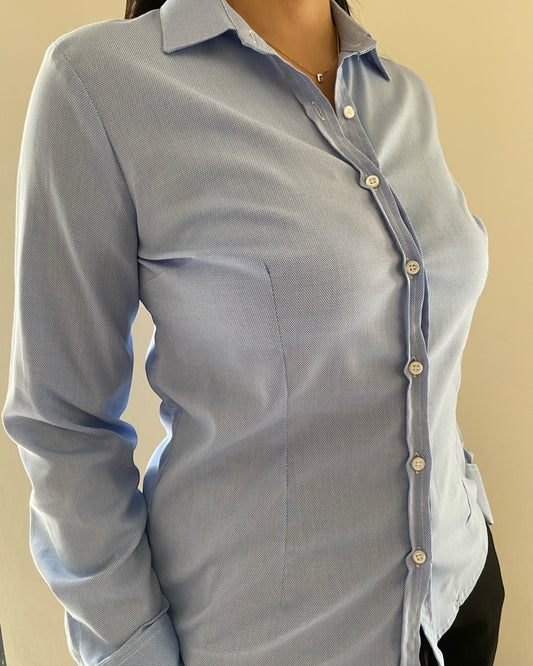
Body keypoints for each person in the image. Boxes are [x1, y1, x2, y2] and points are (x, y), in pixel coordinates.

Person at [2, 0, 504, 664]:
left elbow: (419, 335)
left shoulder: (399, 92)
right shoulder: (98, 81)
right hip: (270, 642)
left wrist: (467, 503)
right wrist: (131, 650)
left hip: (456, 600)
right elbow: (62, 422)